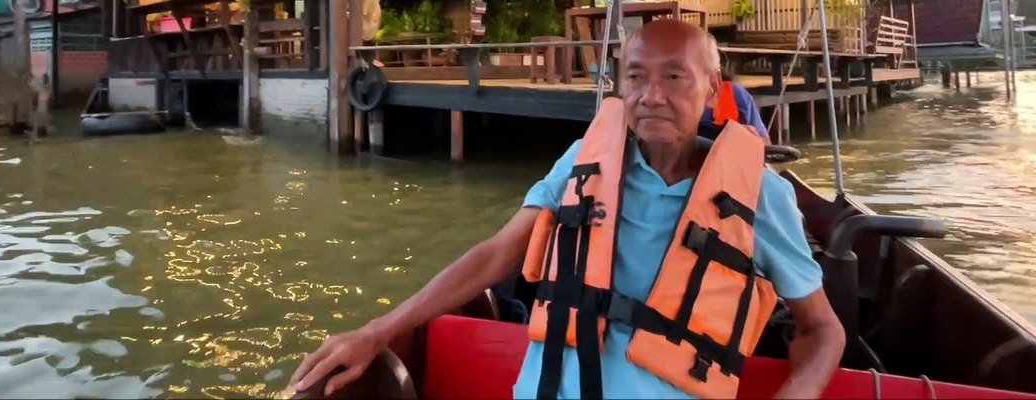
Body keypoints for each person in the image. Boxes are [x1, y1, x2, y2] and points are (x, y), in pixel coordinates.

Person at [290, 20, 843, 399]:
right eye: (635, 77)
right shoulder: (584, 162)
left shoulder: (761, 195)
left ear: (711, 89)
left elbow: (822, 332)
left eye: (674, 76)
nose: (651, 94)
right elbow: (494, 256)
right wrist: (377, 331)